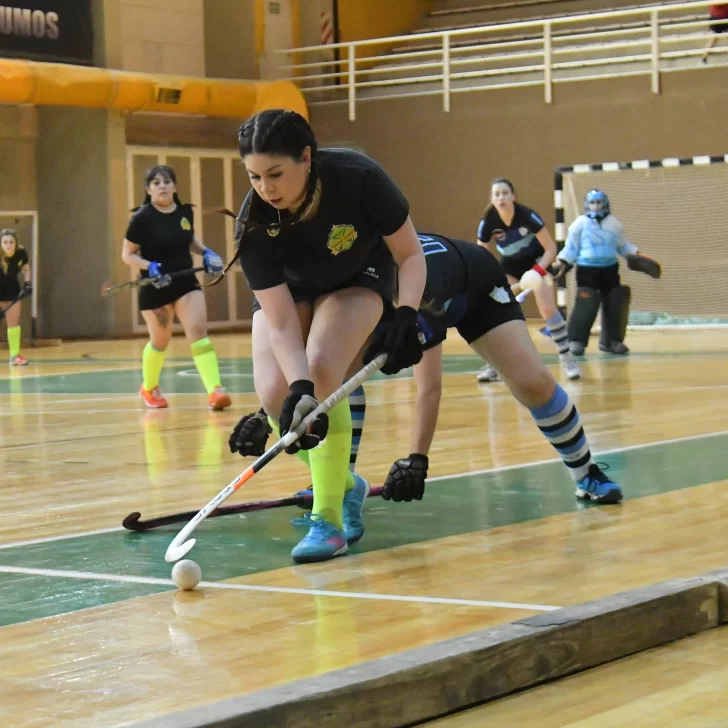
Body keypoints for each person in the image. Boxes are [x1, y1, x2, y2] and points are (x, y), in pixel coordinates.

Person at [233, 232, 623, 509]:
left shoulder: (408, 295)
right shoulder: (351, 295)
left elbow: (429, 388)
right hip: (409, 301)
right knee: (337, 374)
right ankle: (340, 484)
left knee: (532, 384)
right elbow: (332, 384)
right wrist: (269, 413)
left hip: (474, 283)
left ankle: (587, 473)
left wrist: (417, 458)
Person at [231, 109, 426, 563]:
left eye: (276, 174)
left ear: (307, 157)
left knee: (321, 372)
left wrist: (407, 315)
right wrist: (295, 388)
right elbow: (279, 321)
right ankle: (343, 482)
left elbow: (410, 254)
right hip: (293, 290)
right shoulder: (255, 221)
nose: (266, 188)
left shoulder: (359, 178)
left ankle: (330, 520)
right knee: (277, 393)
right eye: (254, 176)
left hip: (359, 275)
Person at [122, 165, 231, 410]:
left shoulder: (184, 213)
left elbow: (189, 237)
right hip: (155, 286)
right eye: (156, 182)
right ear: (148, 189)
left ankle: (215, 390)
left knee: (198, 333)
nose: (162, 186)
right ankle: (148, 388)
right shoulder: (141, 218)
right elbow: (127, 255)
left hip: (185, 283)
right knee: (160, 341)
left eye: (167, 181)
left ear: (174, 186)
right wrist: (148, 265)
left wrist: (205, 252)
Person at [476, 178, 581, 382]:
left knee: (547, 309)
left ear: (513, 196)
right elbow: (481, 255)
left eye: (505, 193)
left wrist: (537, 271)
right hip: (511, 264)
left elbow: (551, 248)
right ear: (492, 198)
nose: (501, 197)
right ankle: (494, 366)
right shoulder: (488, 221)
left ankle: (568, 358)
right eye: (497, 194)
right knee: (497, 310)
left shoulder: (527, 216)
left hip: (538, 261)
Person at [552, 189, 643, 355]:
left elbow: (623, 245)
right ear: (587, 205)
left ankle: (612, 341)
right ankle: (576, 340)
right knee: (585, 302)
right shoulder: (579, 224)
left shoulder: (614, 223)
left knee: (615, 301)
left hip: (609, 268)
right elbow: (571, 248)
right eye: (592, 203)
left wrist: (635, 254)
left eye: (599, 202)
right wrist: (562, 262)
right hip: (587, 270)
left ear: (605, 203)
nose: (595, 206)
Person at [0, 229, 32, 366]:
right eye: (5, 242)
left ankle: (15, 356)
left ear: (16, 243)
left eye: (11, 242)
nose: (8, 245)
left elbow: (26, 269)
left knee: (13, 325)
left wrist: (27, 284)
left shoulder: (21, 253)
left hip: (12, 293)